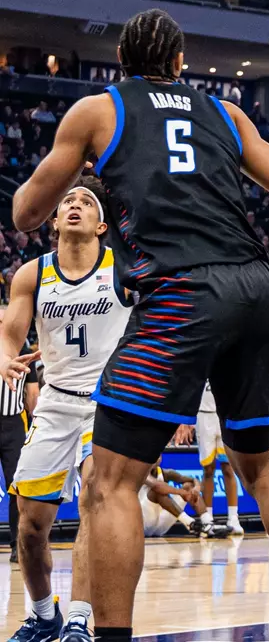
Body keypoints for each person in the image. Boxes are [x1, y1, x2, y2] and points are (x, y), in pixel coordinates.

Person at [10, 9, 269, 642]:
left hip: (181, 294)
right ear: (178, 63)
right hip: (255, 289)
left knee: (109, 482)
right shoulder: (225, 113)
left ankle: (110, 635)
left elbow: (27, 211)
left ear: (122, 62)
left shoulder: (98, 111)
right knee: (262, 469)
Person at [1, 181, 131, 642]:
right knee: (30, 527)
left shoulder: (125, 269)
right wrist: (4, 356)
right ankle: (43, 616)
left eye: (86, 202)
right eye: (66, 202)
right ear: (53, 222)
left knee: (95, 499)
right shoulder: (32, 275)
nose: (74, 205)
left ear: (102, 224)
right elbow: (9, 331)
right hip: (55, 403)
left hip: (109, 402)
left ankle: (79, 616)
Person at [0, 307, 39, 567]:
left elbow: (33, 392)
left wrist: (34, 417)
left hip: (13, 424)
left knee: (17, 485)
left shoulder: (24, 351)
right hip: (12, 422)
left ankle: (16, 544)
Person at [172, 382, 238, 536]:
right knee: (208, 469)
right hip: (203, 416)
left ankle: (233, 518)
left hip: (224, 414)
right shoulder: (200, 363)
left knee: (228, 467)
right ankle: (208, 518)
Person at [138, 463, 205, 537]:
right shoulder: (139, 472)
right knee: (157, 491)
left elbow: (194, 480)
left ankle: (207, 523)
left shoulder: (166, 473)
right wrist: (181, 492)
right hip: (142, 523)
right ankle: (190, 522)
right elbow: (158, 487)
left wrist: (197, 488)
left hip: (160, 523)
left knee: (189, 486)